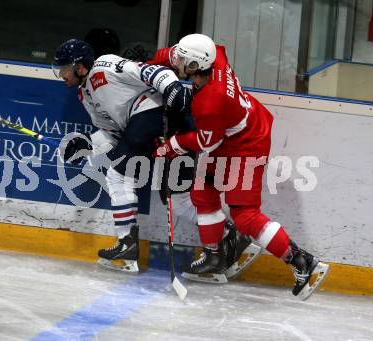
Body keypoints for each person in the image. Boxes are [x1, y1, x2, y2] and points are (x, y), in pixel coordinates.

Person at [152, 34, 329, 299]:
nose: (175, 59)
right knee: (203, 192)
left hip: (246, 146)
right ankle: (214, 254)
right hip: (233, 132)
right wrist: (153, 64)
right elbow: (210, 48)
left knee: (245, 215)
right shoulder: (215, 59)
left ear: (193, 67)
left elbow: (204, 141)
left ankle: (303, 262)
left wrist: (172, 145)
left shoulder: (211, 102)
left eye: (181, 59)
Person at [52, 38, 192, 272]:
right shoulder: (84, 94)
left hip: (152, 113)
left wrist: (172, 88)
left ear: (80, 66)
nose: (62, 74)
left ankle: (127, 241)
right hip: (139, 126)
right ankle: (225, 234)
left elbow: (149, 70)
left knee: (117, 176)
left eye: (65, 68)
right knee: (174, 197)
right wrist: (87, 145)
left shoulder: (105, 65)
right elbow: (112, 133)